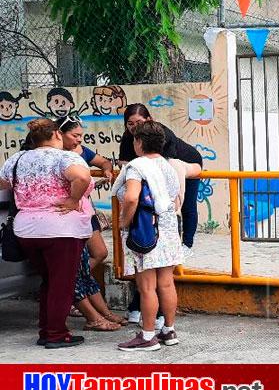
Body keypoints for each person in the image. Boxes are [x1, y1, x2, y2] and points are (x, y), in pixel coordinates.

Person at [0, 119, 92, 348]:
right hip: (60, 229)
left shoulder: (17, 159)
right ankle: (56, 335)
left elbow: (3, 184)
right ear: (58, 136)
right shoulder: (65, 157)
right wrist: (72, 199)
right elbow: (82, 177)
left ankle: (47, 331)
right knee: (62, 284)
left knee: (49, 281)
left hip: (26, 230)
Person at [114, 121, 199, 351]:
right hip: (169, 230)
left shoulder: (136, 167)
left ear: (138, 142)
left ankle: (147, 336)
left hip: (146, 232)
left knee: (147, 286)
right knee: (166, 283)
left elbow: (132, 197)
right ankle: (168, 330)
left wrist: (124, 222)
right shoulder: (168, 165)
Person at [56, 116, 126, 331]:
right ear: (60, 134)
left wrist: (106, 169)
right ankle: (85, 306)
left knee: (97, 254)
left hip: (84, 212)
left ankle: (87, 301)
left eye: (80, 135)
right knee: (75, 266)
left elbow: (103, 160)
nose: (78, 140)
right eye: (74, 135)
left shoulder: (82, 151)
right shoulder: (55, 157)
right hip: (65, 214)